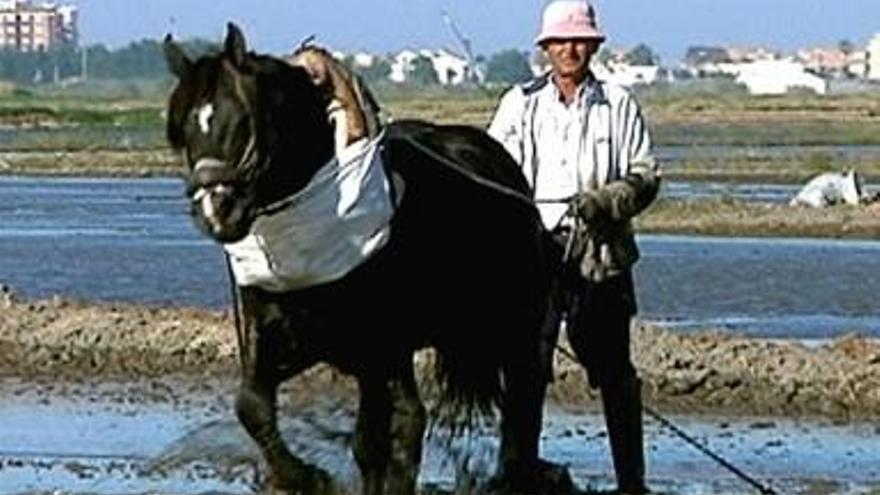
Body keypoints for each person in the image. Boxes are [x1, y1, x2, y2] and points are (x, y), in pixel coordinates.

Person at [487, 1, 660, 493]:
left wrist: (607, 200)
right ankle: (516, 473)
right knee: (525, 368)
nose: (571, 49)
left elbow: (646, 176)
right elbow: (496, 174)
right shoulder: (519, 104)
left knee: (614, 371)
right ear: (545, 49)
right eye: (561, 41)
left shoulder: (619, 103)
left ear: (594, 46)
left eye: (580, 40)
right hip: (534, 257)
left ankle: (632, 484)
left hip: (600, 253)